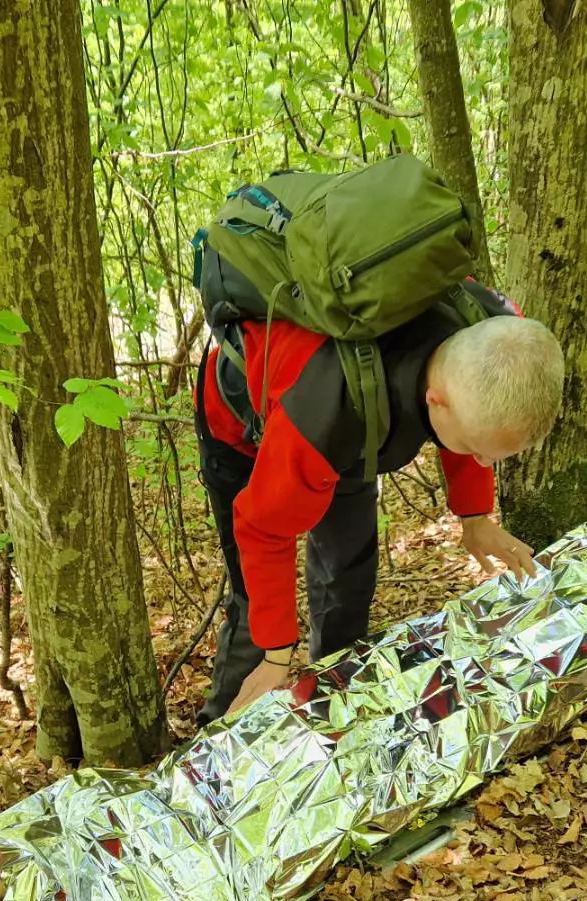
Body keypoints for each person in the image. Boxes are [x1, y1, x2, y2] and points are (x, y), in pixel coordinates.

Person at [193, 294, 566, 721]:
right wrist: (278, 651)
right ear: (435, 401)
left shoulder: (492, 330)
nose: (481, 463)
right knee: (255, 609)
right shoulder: (325, 415)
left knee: (347, 579)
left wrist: (474, 514)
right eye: (473, 450)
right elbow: (262, 528)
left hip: (361, 421)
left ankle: (332, 710)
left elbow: (472, 409)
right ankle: (220, 736)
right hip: (242, 423)